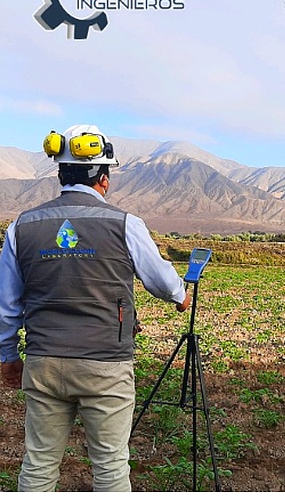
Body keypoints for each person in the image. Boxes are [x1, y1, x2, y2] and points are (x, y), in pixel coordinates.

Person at [0, 124, 190, 492]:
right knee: (110, 467)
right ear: (104, 178)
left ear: (60, 174)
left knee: (38, 465)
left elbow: (6, 306)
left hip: (43, 363)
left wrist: (8, 356)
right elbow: (163, 282)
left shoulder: (22, 226)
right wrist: (181, 297)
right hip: (106, 365)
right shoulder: (125, 224)